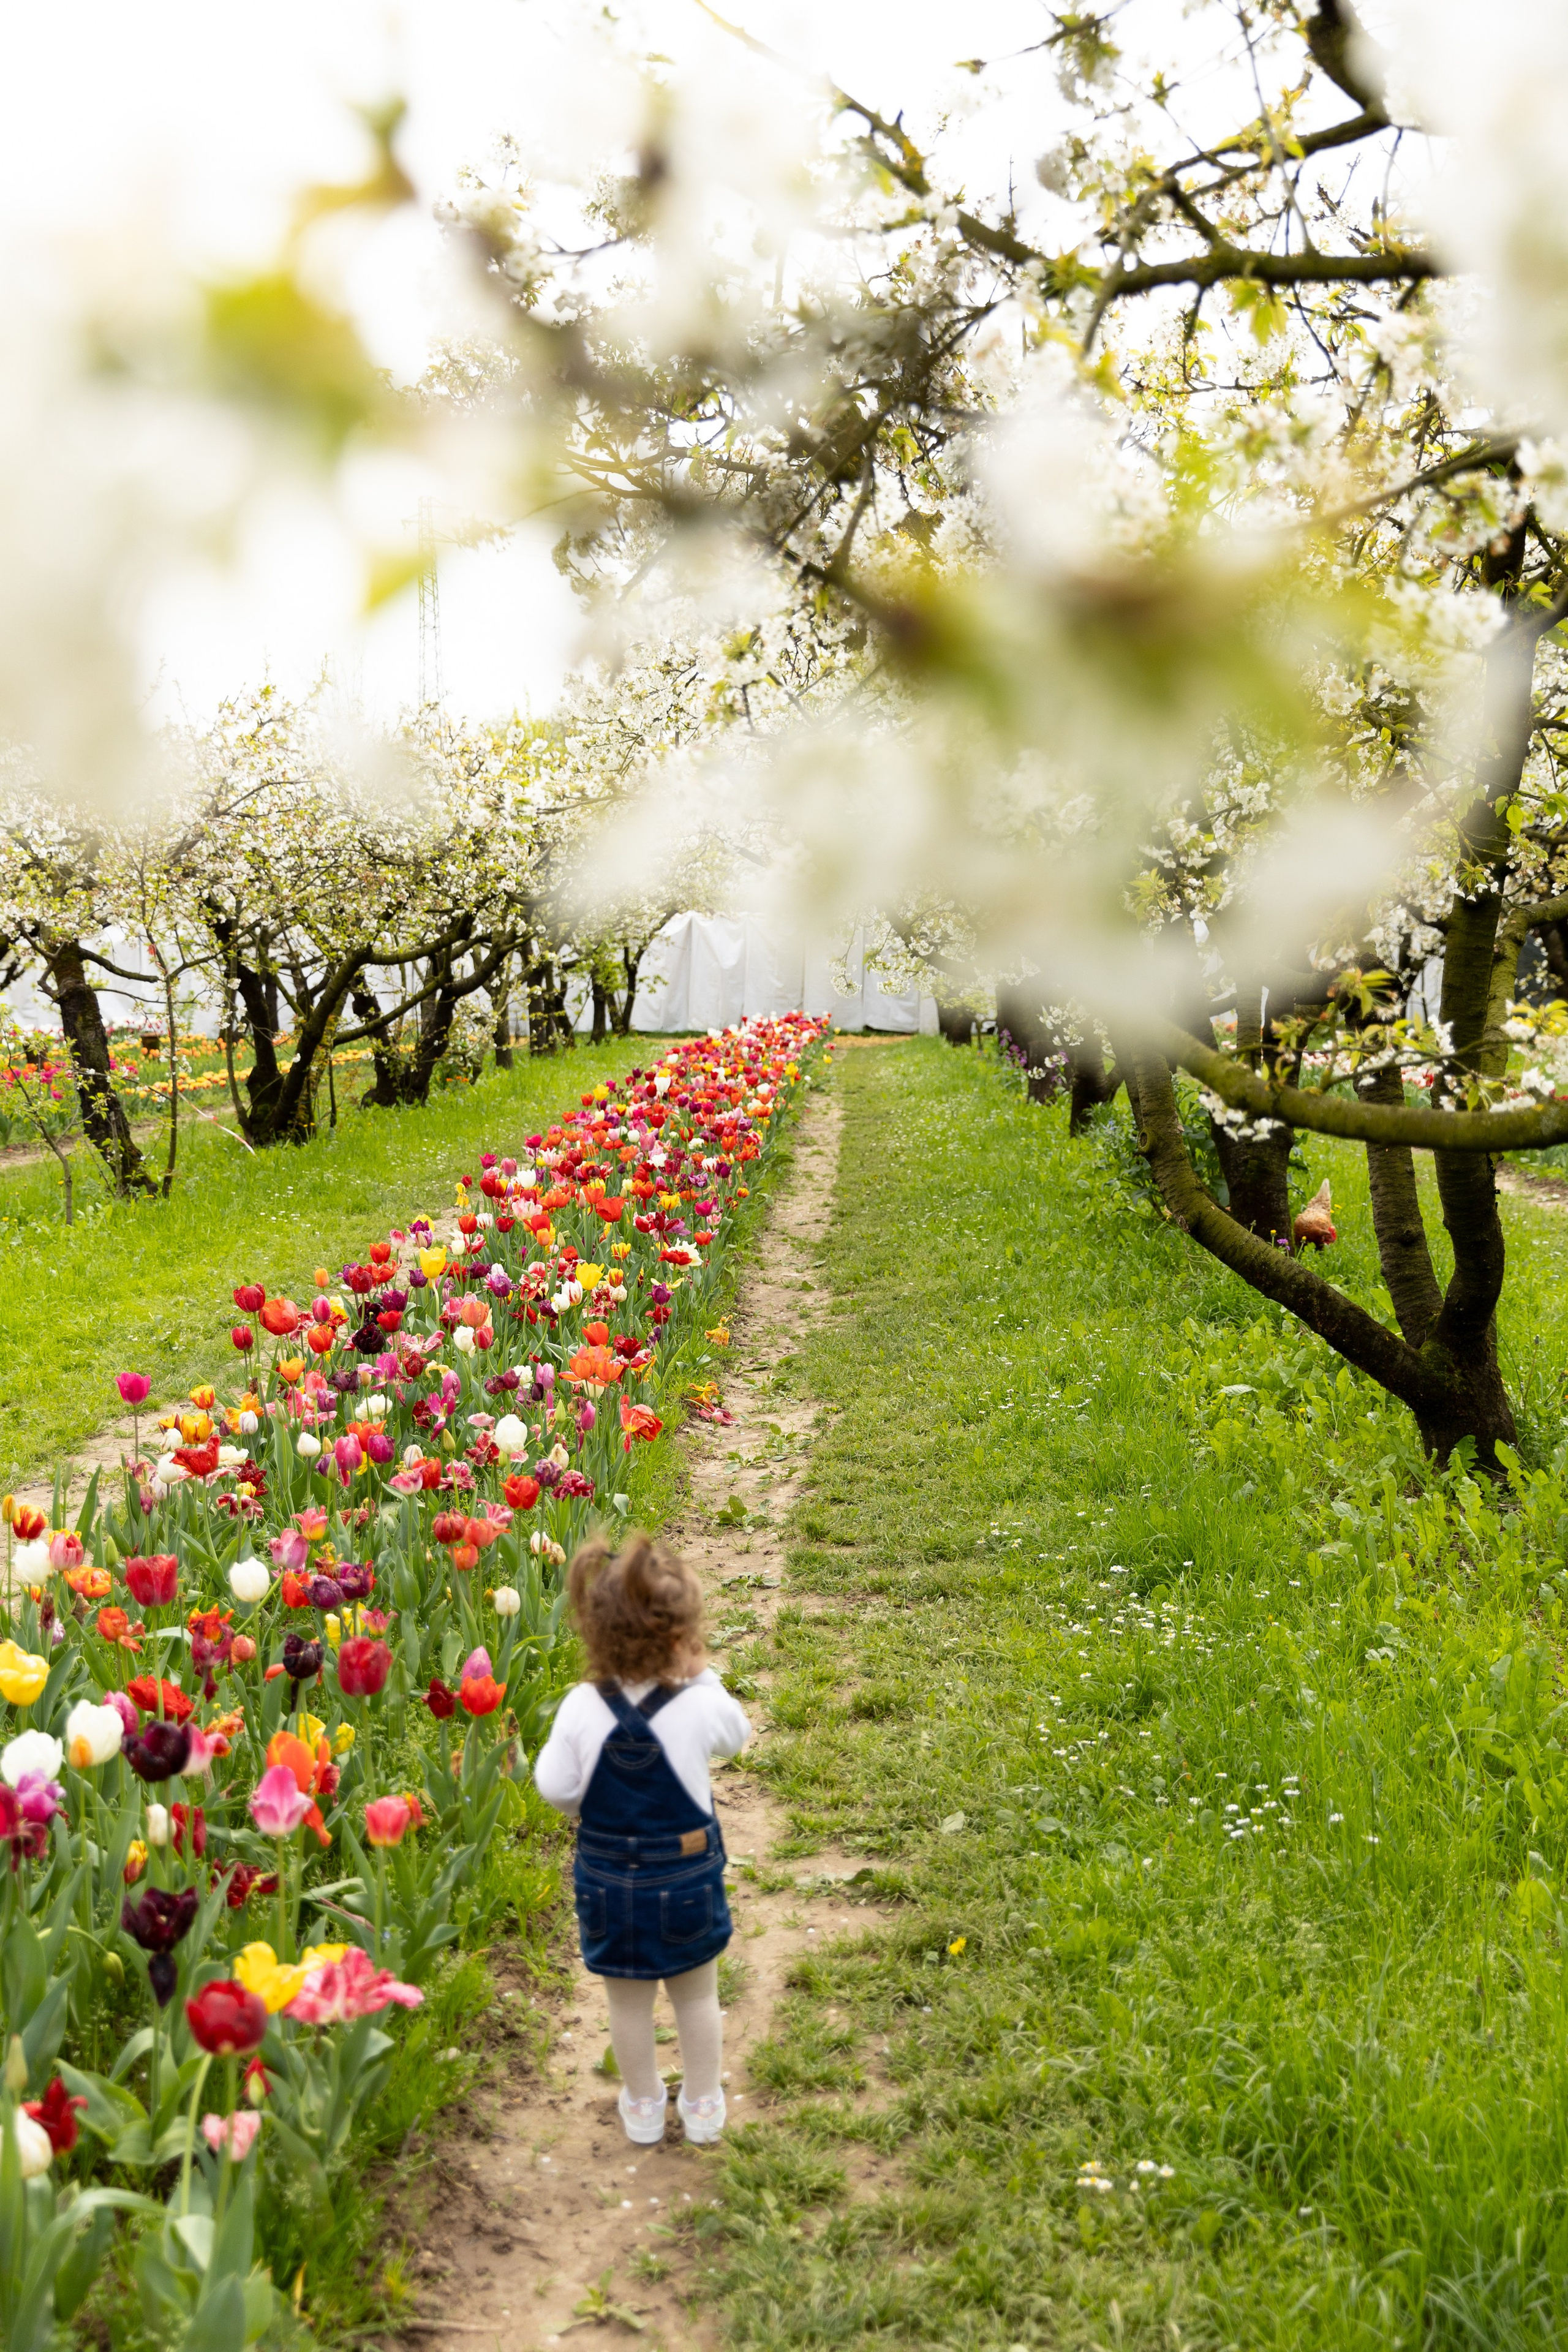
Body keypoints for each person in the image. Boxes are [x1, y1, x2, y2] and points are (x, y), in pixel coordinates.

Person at [533, 1531, 751, 2145]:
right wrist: (704, 1679)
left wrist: (587, 1805)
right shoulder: (696, 1703)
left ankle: (643, 2106)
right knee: (695, 1995)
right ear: (680, 1640)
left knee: (626, 2003)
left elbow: (554, 1786)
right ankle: (704, 2105)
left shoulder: (580, 1705)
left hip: (608, 1878)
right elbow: (737, 1735)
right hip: (684, 1876)